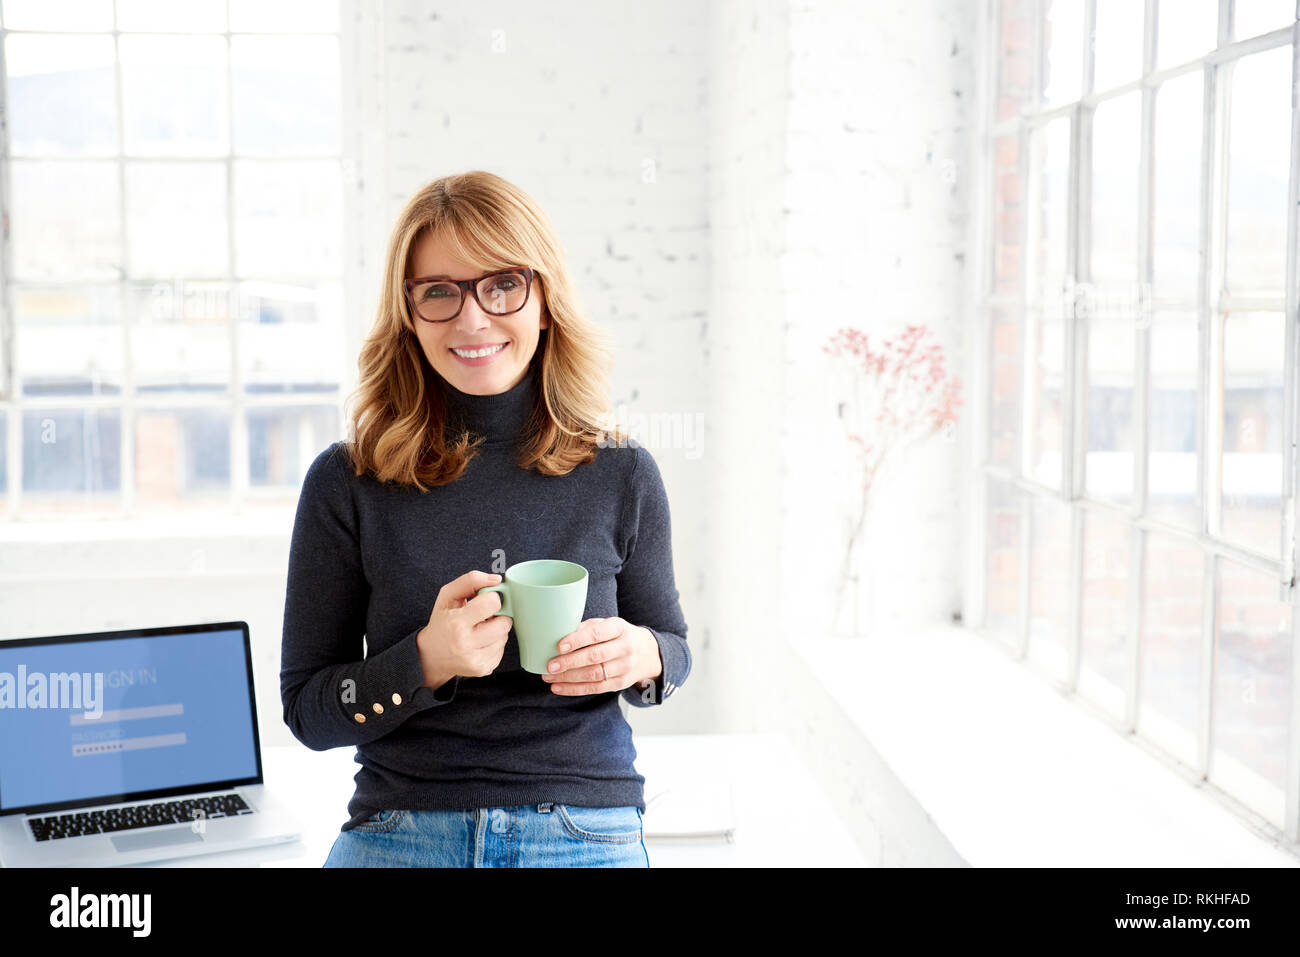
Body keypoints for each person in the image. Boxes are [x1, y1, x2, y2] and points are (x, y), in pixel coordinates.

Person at [279, 170, 691, 867]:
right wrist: (425, 662)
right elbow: (308, 711)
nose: (472, 319)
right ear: (408, 311)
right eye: (439, 291)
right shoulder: (347, 481)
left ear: (544, 298)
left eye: (502, 284)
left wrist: (642, 654)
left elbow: (672, 650)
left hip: (583, 830)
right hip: (398, 830)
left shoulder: (622, 473)